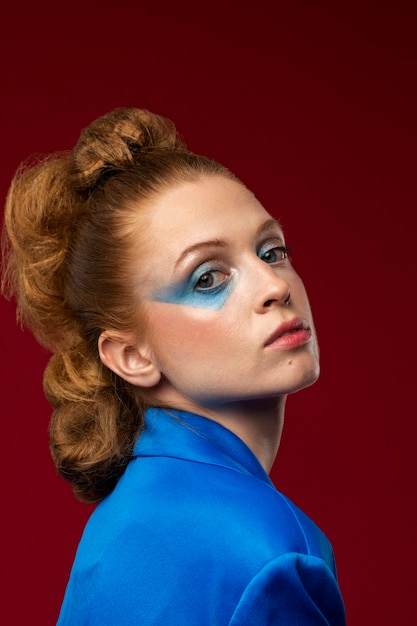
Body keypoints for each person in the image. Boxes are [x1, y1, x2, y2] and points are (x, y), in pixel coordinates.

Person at [2, 107, 346, 625]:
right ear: (132, 356)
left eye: (272, 251)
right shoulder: (269, 552)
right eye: (209, 279)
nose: (276, 287)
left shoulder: (121, 519)